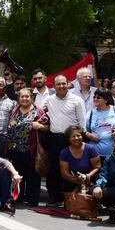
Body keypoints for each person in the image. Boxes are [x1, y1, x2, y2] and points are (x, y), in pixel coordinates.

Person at [42, 74, 85, 205]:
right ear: (53, 86)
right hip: (54, 138)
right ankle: (54, 196)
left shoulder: (77, 100)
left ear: (68, 84)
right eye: (58, 84)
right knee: (54, 168)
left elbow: (82, 121)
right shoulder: (49, 100)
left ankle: (71, 196)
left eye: (63, 83)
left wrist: (80, 138)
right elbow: (41, 112)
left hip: (71, 139)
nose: (61, 86)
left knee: (72, 168)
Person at [7, 88, 48, 206]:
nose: (24, 99)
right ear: (18, 98)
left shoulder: (38, 111)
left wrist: (40, 126)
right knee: (18, 175)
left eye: (27, 96)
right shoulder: (15, 110)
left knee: (33, 176)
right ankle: (17, 197)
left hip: (32, 150)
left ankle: (32, 199)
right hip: (15, 149)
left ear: (32, 98)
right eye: (22, 96)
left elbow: (47, 128)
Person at [84, 88, 115, 158]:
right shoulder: (90, 113)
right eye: (94, 97)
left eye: (98, 97)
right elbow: (83, 129)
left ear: (106, 100)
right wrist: (88, 135)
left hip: (114, 153)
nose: (95, 99)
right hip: (95, 154)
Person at [60, 125, 102, 192]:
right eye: (73, 136)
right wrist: (77, 180)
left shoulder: (91, 149)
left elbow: (97, 167)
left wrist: (86, 177)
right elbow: (64, 173)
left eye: (78, 135)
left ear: (82, 136)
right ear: (69, 139)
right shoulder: (64, 152)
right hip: (72, 181)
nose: (76, 138)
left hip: (90, 181)